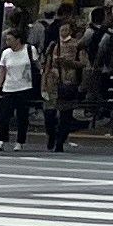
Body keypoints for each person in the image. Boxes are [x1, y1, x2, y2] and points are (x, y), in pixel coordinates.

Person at [0, 20, 40, 150]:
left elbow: (38, 65)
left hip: (25, 87)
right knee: (4, 116)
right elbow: (2, 71)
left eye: (10, 39)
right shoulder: (6, 53)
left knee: (22, 116)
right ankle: (1, 140)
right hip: (9, 87)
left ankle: (20, 141)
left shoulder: (29, 50)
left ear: (18, 40)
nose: (7, 42)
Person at [42, 18, 86, 153]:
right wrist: (44, 83)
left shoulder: (77, 45)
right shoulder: (53, 45)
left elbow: (83, 63)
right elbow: (47, 66)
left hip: (69, 82)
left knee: (65, 114)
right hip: (53, 82)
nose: (64, 32)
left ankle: (60, 141)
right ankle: (51, 134)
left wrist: (69, 63)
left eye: (67, 30)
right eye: (62, 30)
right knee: (49, 113)